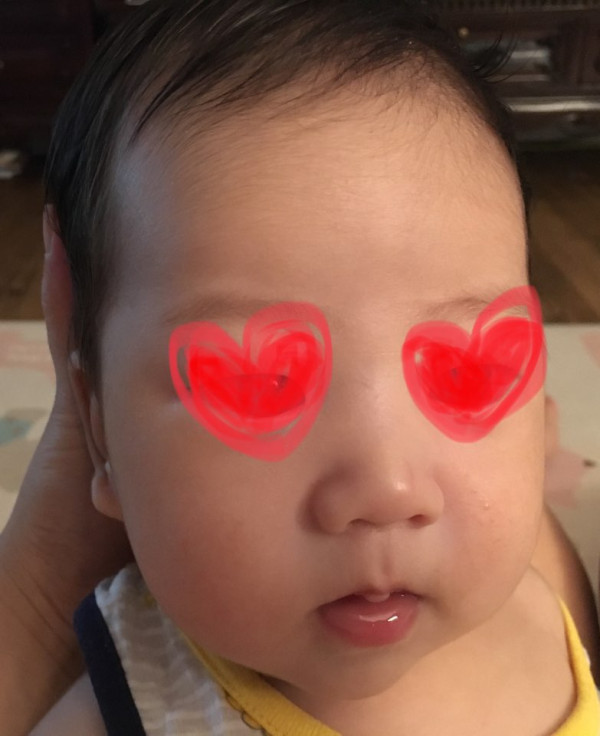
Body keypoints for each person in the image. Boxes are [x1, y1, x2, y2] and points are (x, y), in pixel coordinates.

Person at [6, 0, 599, 732]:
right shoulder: (141, 700)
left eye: (461, 370)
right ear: (99, 433)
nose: (386, 490)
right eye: (261, 382)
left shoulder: (549, 606)